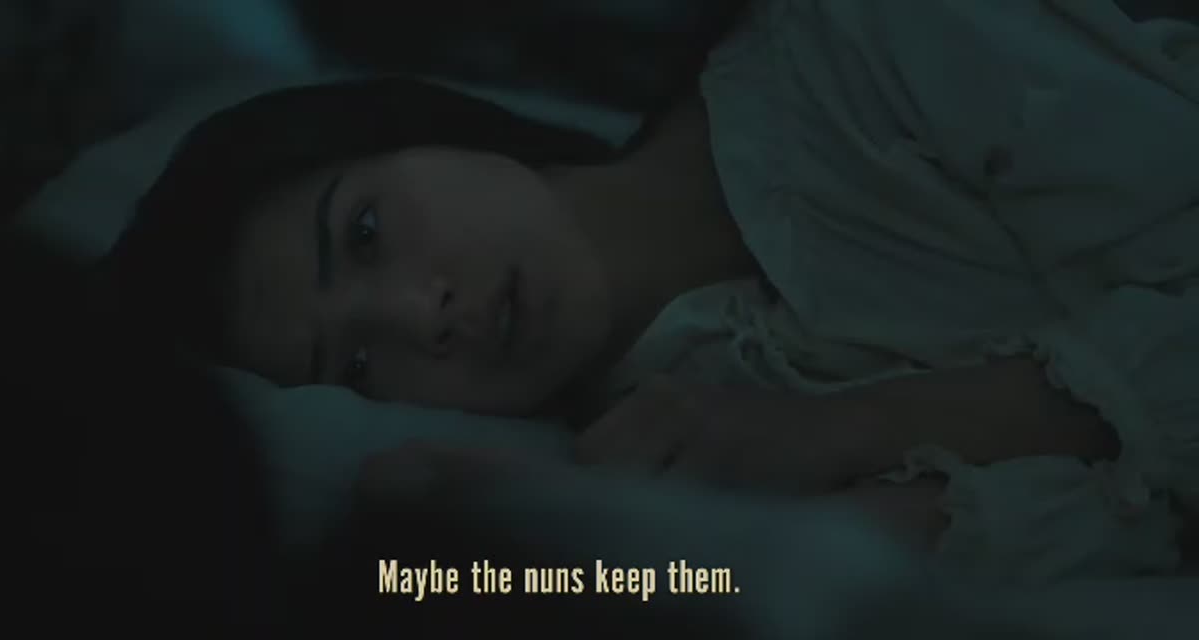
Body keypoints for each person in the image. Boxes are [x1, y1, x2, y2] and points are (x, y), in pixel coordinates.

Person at [103, 0, 1199, 584]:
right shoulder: (683, 437)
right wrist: (566, 572)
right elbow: (1133, 522)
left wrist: (854, 427)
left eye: (366, 233)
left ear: (418, 130)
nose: (416, 317)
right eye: (355, 366)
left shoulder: (859, 40)